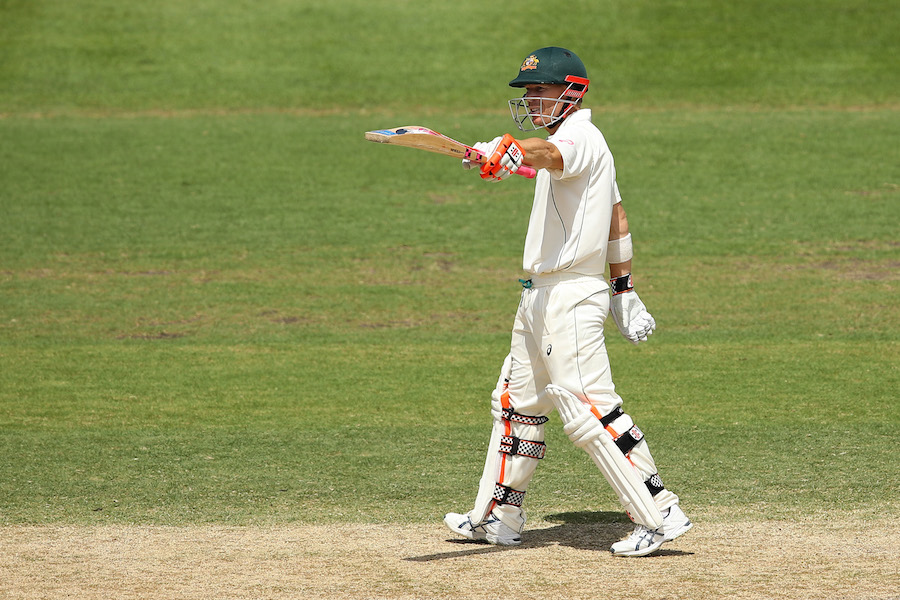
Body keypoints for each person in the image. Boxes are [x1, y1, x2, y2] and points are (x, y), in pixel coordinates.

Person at [443, 47, 692, 557]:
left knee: (589, 410)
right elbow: (616, 217)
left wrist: (512, 149)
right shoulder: (572, 141)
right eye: (528, 92)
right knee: (516, 406)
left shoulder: (578, 135)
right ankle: (498, 517)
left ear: (570, 92)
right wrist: (623, 289)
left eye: (540, 90)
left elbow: (544, 154)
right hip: (539, 294)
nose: (532, 99)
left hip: (570, 296)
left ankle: (658, 512)